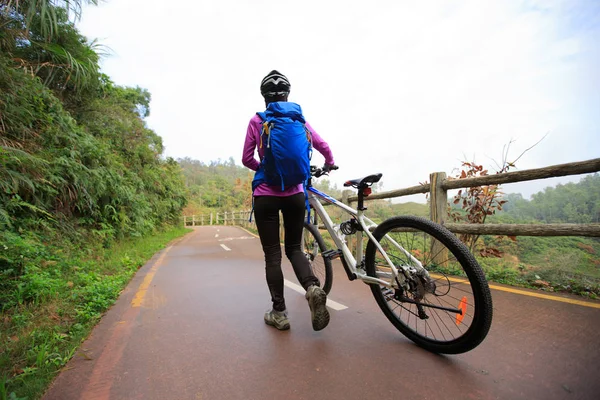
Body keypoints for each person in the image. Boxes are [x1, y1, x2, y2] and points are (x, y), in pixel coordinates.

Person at [242, 70, 336, 331]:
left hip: (265, 196)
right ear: (287, 95)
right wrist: (328, 164)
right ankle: (312, 287)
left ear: (264, 97)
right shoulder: (299, 120)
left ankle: (279, 313)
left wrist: (264, 167)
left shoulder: (257, 121)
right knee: (294, 248)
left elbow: (246, 158)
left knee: (272, 254)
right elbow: (324, 146)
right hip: (295, 195)